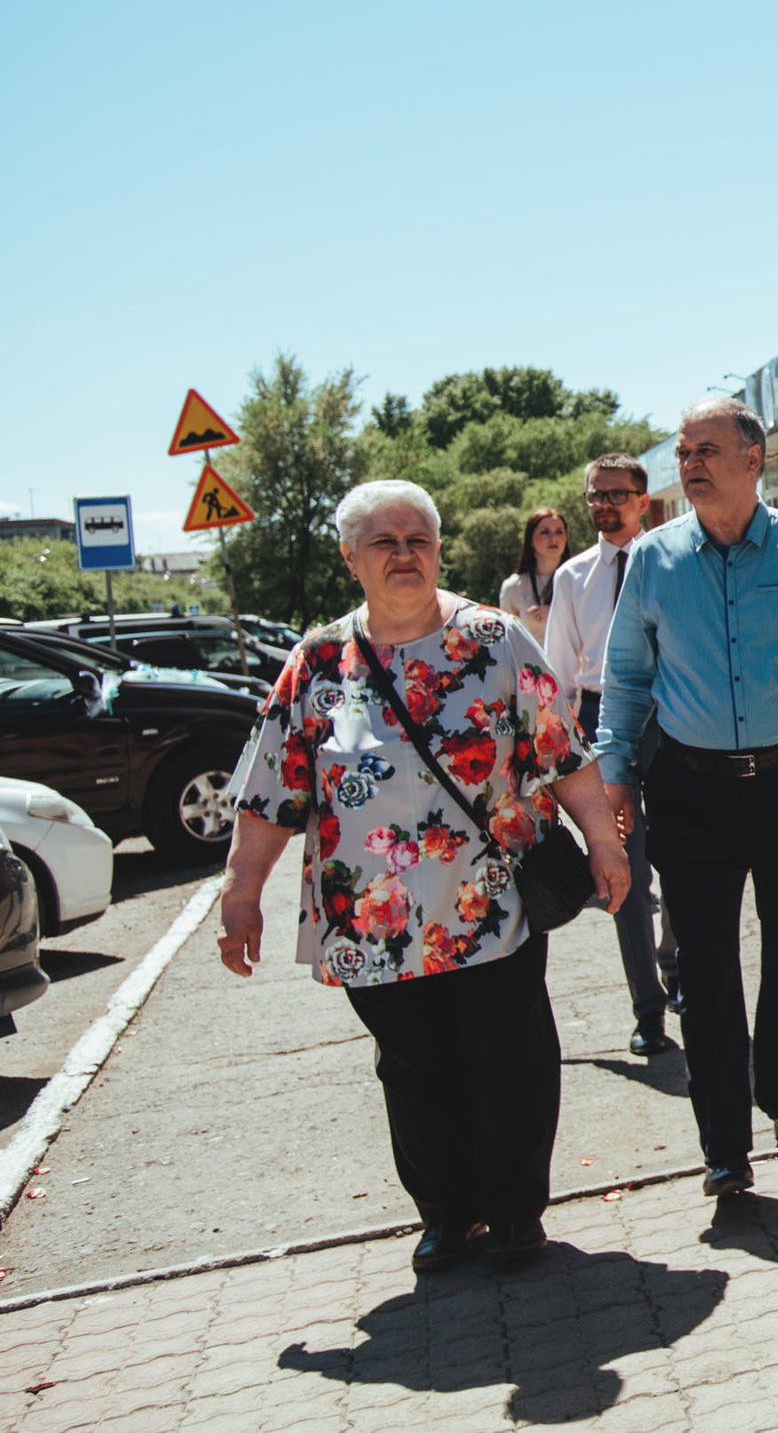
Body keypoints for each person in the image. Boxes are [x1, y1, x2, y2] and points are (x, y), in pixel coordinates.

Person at [216, 480, 629, 1273]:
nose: (404, 554)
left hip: (488, 901)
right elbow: (271, 791)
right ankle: (447, 1210)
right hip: (371, 921)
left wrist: (604, 842)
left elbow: (561, 749)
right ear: (351, 557)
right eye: (384, 541)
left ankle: (513, 1210)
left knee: (509, 1055)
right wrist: (242, 894)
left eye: (419, 540)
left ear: (439, 551)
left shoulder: (495, 638)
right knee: (413, 1067)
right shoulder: (315, 663)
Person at [596, 397, 778, 1197]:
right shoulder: (653, 560)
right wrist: (614, 768)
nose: (690, 461)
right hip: (689, 789)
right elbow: (625, 677)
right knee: (705, 968)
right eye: (685, 449)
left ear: (753, 460)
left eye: (707, 448)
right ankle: (723, 1142)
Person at [544, 453, 680, 1058]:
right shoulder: (572, 578)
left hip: (674, 715)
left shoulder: (674, 562)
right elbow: (558, 674)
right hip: (603, 723)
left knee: (682, 855)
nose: (603, 505)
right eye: (595, 496)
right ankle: (647, 1007)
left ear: (642, 502)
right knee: (623, 862)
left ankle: (679, 969)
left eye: (615, 495)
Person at [497, 507, 570, 639]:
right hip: (528, 659)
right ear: (530, 540)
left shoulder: (580, 580)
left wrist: (556, 613)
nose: (553, 538)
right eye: (545, 532)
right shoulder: (513, 587)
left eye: (559, 532)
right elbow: (506, 638)